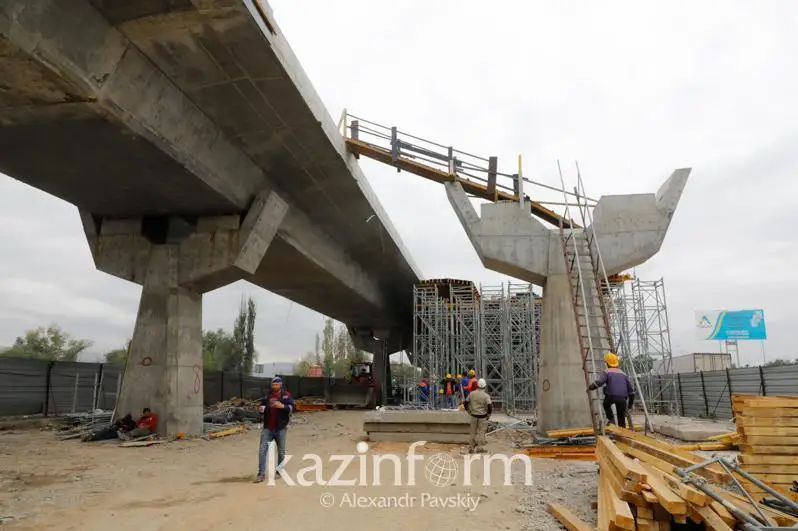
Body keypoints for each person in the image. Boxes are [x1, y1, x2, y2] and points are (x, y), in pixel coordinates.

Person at [255, 377, 295, 483]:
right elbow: (262, 406)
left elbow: (292, 407)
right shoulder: (267, 395)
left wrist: (282, 406)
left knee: (281, 451)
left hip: (280, 428)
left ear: (280, 385)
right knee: (262, 450)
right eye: (273, 385)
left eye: (277, 384)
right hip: (268, 427)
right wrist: (261, 409)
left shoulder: (286, 395)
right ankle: (261, 474)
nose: (275, 386)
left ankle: (279, 471)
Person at [588, 353, 635, 428]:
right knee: (621, 417)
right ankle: (622, 435)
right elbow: (631, 391)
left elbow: (600, 382)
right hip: (622, 398)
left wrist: (591, 387)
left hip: (611, 396)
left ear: (607, 363)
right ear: (617, 363)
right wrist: (629, 405)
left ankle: (611, 419)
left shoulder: (606, 372)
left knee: (606, 404)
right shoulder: (623, 374)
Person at [463, 378, 492, 453]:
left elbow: (465, 403)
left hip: (473, 415)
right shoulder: (486, 396)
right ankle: (480, 448)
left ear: (477, 386)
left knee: (472, 432)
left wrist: (468, 411)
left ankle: (471, 448)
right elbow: (489, 406)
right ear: (485, 386)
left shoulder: (472, 394)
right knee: (481, 433)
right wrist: (489, 414)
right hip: (482, 416)